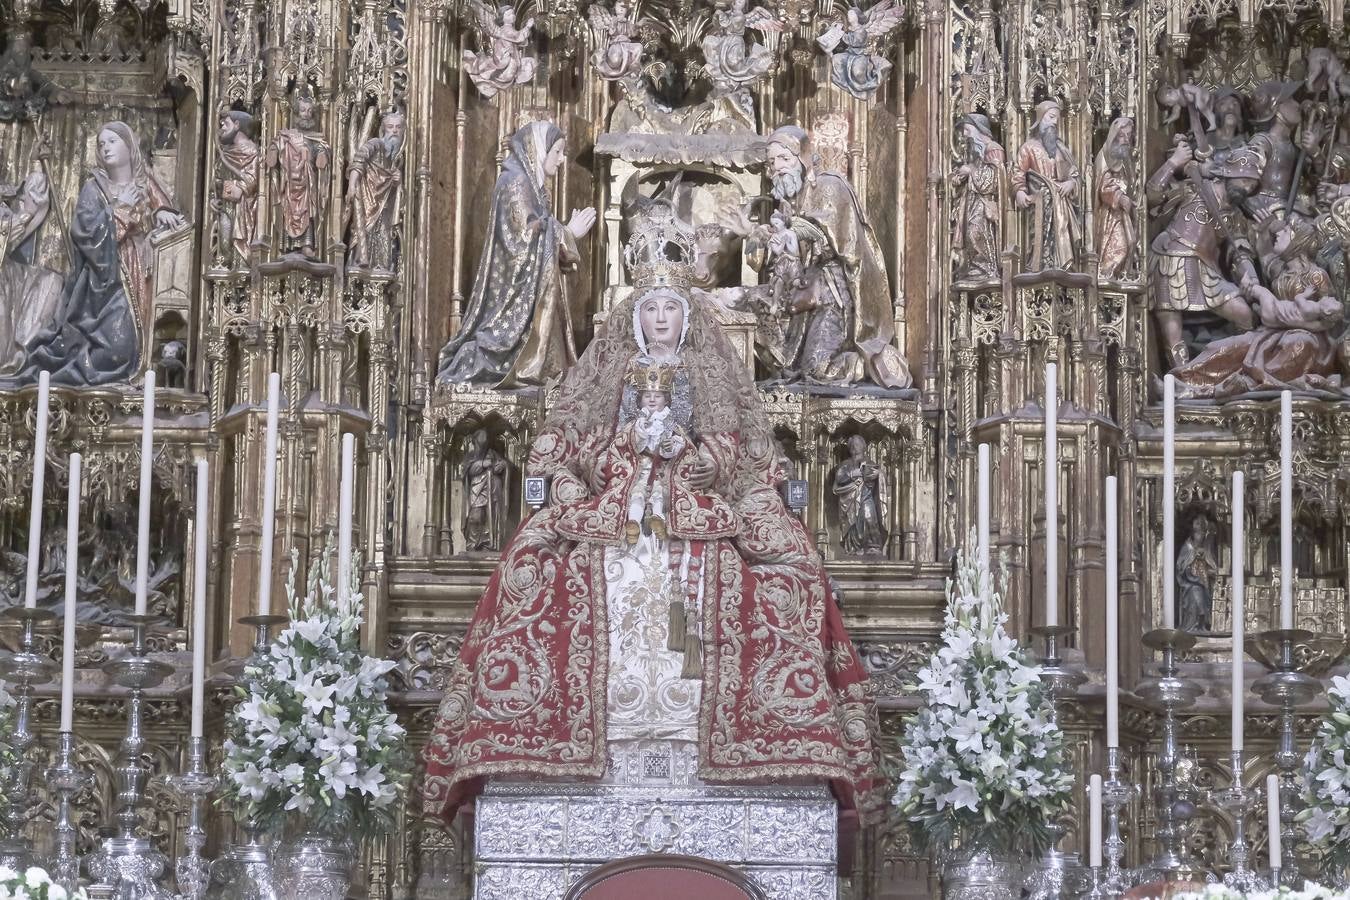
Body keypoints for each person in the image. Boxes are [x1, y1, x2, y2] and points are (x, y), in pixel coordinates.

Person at [422, 272, 888, 833]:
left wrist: (701, 456)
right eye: (650, 309)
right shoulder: (605, 376)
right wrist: (608, 455)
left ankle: (727, 735)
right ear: (634, 320)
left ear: (686, 319)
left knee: (790, 577)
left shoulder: (709, 374)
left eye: (671, 307)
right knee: (530, 570)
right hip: (613, 510)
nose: (661, 318)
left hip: (695, 507)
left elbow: (748, 454)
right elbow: (557, 452)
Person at [22, 121, 184, 386]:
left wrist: (162, 211)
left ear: (129, 144)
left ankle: (143, 369)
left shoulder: (146, 182)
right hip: (102, 284)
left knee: (135, 337)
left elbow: (161, 206)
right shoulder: (93, 188)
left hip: (142, 269)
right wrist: (120, 211)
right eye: (101, 144)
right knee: (114, 350)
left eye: (112, 141)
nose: (105, 148)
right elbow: (85, 234)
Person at [436, 120, 596, 387]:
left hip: (525, 289)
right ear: (538, 149)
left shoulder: (530, 185)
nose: (561, 159)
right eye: (557, 151)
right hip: (511, 296)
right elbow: (524, 238)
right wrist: (567, 233)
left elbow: (536, 235)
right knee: (492, 352)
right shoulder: (516, 181)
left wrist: (561, 237)